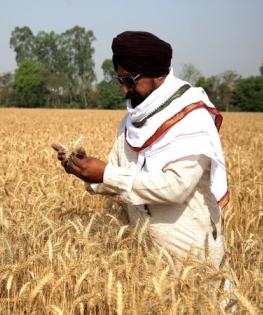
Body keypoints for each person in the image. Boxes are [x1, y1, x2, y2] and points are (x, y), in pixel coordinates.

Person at [52, 31, 228, 267]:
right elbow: (115, 174)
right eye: (120, 81)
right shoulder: (131, 121)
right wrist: (82, 169)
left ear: (157, 74)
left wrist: (105, 173)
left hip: (193, 259)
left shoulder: (192, 117)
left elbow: (176, 187)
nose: (125, 90)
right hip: (144, 260)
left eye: (129, 81)